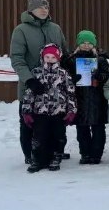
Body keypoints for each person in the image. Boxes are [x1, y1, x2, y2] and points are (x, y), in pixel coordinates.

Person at [10, 0, 68, 164]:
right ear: (31, 10)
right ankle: (30, 154)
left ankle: (52, 152)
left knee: (52, 122)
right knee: (29, 122)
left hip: (54, 88)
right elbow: (17, 59)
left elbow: (64, 52)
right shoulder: (21, 30)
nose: (44, 10)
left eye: (46, 7)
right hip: (31, 87)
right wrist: (29, 80)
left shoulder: (55, 28)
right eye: (40, 8)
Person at [21, 44, 77, 173]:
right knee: (39, 136)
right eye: (47, 56)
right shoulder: (36, 72)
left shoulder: (63, 74)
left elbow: (71, 93)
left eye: (53, 57)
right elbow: (29, 93)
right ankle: (38, 159)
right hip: (40, 111)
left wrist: (71, 111)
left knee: (58, 135)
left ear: (58, 58)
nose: (50, 59)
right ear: (43, 57)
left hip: (59, 112)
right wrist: (26, 111)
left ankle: (56, 157)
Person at [62, 31, 109, 165]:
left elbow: (107, 76)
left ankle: (96, 154)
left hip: (97, 100)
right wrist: (72, 78)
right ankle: (85, 153)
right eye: (83, 43)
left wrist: (100, 77)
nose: (86, 45)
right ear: (78, 43)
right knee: (82, 129)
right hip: (80, 99)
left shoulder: (100, 59)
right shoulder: (71, 59)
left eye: (89, 43)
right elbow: (65, 76)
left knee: (98, 129)